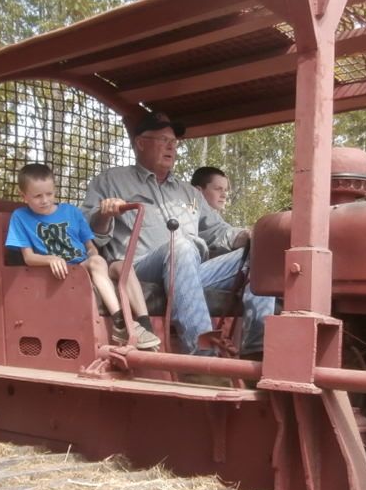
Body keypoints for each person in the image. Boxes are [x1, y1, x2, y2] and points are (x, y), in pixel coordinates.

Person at [83, 113, 275, 357]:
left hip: (189, 270)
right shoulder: (111, 181)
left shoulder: (188, 192)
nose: (172, 147)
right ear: (141, 143)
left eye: (174, 142)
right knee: (181, 246)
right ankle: (203, 358)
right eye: (164, 140)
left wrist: (248, 235)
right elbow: (87, 231)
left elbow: (217, 231)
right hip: (141, 270)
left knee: (262, 249)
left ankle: (258, 349)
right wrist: (104, 214)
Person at [7, 163, 161, 349]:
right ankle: (120, 323)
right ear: (23, 196)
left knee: (121, 266)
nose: (45, 200)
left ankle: (145, 325)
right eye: (38, 196)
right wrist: (51, 259)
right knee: (97, 263)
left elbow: (90, 246)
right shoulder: (20, 217)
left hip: (86, 263)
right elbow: (28, 258)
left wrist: (95, 258)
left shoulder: (71, 212)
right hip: (68, 270)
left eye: (49, 194)